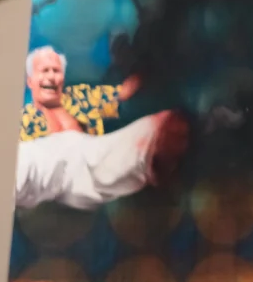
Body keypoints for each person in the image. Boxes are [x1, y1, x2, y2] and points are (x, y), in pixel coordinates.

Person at [14, 45, 189, 210]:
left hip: (91, 166)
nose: (51, 77)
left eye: (56, 71)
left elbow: (123, 93)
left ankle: (151, 150)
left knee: (152, 129)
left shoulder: (79, 98)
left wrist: (145, 65)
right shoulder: (24, 121)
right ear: (30, 81)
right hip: (57, 180)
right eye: (44, 71)